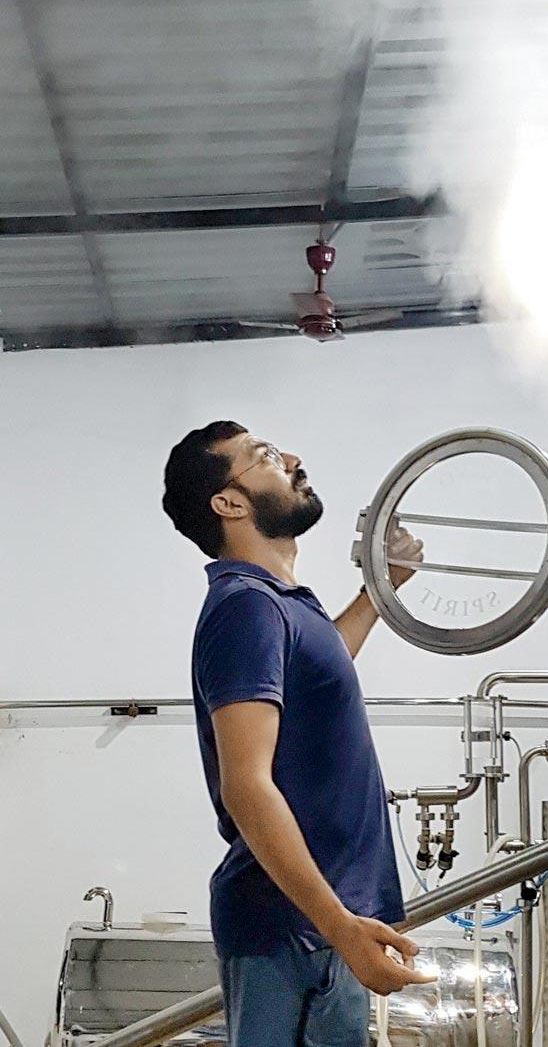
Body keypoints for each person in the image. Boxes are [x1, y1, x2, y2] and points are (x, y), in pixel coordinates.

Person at [162, 421, 432, 1046]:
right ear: (228, 503)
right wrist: (340, 927)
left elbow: (324, 661)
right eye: (264, 456)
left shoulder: (282, 603)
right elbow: (247, 788)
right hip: (294, 928)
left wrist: (383, 584)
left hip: (321, 924)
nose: (291, 458)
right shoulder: (245, 606)